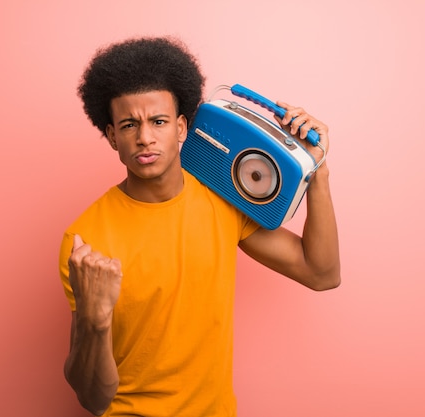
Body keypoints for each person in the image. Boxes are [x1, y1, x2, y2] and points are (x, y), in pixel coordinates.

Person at [58, 36, 340, 417]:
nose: (145, 137)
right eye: (128, 125)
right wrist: (94, 318)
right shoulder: (84, 242)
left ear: (182, 128)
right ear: (111, 136)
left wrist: (315, 171)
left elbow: (321, 273)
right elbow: (93, 400)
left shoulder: (223, 200)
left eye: (158, 121)